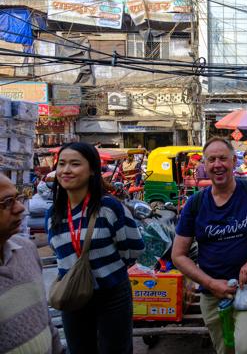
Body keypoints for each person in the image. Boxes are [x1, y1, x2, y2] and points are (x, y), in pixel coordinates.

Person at [172, 137, 247, 354]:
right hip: (213, 295)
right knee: (224, 349)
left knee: (245, 348)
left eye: (223, 158)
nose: (217, 164)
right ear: (205, 165)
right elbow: (178, 255)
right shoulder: (196, 204)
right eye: (211, 160)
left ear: (234, 161)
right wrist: (210, 283)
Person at [46, 142, 144, 354]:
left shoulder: (109, 207)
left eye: (74, 164)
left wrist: (106, 270)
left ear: (92, 170)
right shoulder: (53, 214)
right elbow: (60, 255)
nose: (66, 170)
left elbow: (133, 249)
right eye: (62, 164)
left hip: (112, 294)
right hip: (72, 295)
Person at [0, 174, 63, 354]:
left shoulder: (26, 249)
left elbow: (44, 318)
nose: (21, 208)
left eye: (18, 198)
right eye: (7, 202)